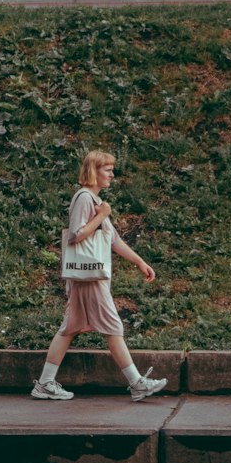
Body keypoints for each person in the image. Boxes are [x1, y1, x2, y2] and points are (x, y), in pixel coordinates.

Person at [32, 150, 167, 402]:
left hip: (86, 276)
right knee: (113, 326)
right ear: (94, 170)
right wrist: (102, 215)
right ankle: (137, 383)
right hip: (90, 277)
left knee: (69, 328)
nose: (112, 174)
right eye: (108, 169)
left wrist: (140, 262)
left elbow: (113, 240)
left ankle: (45, 383)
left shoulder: (95, 201)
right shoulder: (85, 198)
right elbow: (75, 235)